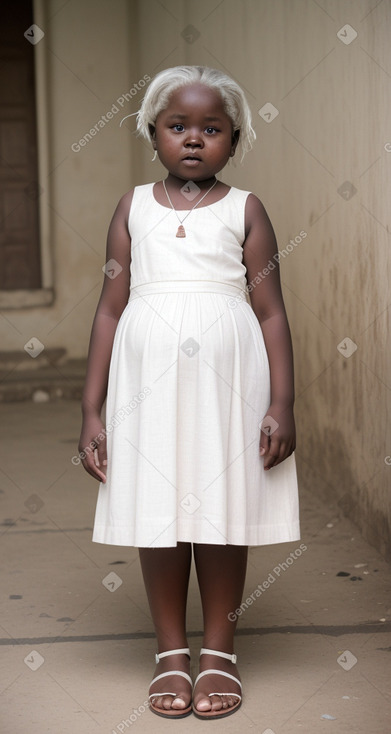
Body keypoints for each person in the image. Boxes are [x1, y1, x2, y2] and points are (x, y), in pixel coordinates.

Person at [78, 65, 300, 720]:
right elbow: (108, 310)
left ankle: (220, 654)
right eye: (179, 127)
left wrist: (281, 402)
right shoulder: (132, 206)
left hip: (230, 385)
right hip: (146, 387)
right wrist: (91, 407)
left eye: (212, 129)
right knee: (159, 511)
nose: (194, 140)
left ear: (233, 139)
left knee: (223, 512)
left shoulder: (245, 209)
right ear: (153, 134)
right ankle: (171, 654)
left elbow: (271, 314)